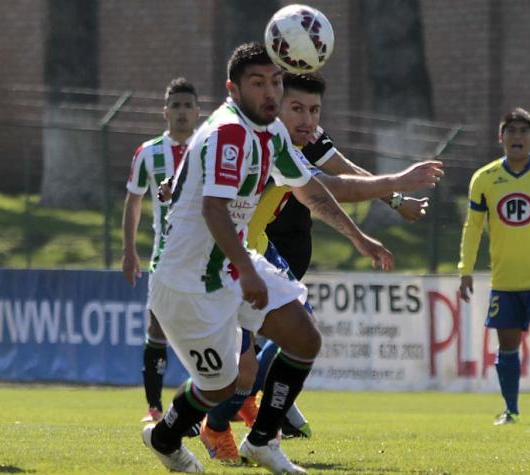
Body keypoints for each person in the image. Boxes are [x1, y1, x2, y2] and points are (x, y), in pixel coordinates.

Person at [141, 42, 393, 474]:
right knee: (220, 386)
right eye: (257, 83)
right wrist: (245, 271)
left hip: (233, 262)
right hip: (187, 280)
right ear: (232, 90)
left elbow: (309, 190)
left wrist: (358, 236)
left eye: (275, 81)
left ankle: (262, 441)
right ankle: (164, 435)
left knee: (304, 338)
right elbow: (213, 209)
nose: (269, 92)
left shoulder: (271, 131)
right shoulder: (228, 133)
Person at [197, 71, 444, 462]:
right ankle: (205, 420)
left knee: (301, 336)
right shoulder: (250, 136)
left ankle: (250, 424)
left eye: (314, 110)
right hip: (231, 256)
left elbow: (337, 177)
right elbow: (335, 187)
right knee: (244, 366)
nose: (308, 119)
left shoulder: (298, 138)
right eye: (297, 108)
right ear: (273, 103)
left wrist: (377, 217)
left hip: (265, 249)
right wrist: (396, 187)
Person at [458, 107, 530, 426]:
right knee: (507, 347)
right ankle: (511, 410)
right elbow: (473, 227)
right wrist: (465, 269)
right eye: (511, 131)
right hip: (504, 281)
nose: (517, 137)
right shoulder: (485, 178)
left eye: (523, 131)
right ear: (500, 137)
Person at [123, 78, 200, 422]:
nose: (182, 112)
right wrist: (129, 250)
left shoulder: (208, 147)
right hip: (165, 255)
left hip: (206, 253)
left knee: (209, 327)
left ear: (198, 111)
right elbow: (133, 201)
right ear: (165, 111)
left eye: (188, 106)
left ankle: (211, 406)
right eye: (176, 106)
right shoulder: (149, 152)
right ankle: (154, 407)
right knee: (157, 327)